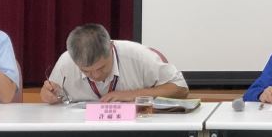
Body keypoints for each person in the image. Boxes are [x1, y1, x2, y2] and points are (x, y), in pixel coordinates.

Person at [41, 23, 189, 103]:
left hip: (137, 130)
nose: (96, 75)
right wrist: (48, 95)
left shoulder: (138, 56)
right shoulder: (66, 62)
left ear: (111, 47)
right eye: (86, 71)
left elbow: (181, 88)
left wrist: (133, 94)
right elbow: (52, 97)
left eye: (102, 67)